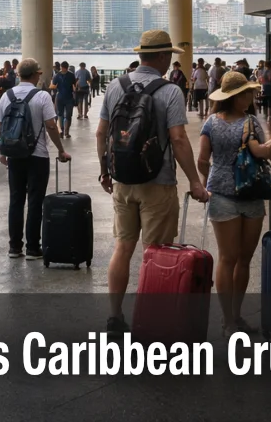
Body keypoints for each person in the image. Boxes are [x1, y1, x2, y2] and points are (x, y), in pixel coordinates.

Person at [97, 30, 211, 334]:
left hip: (122, 180)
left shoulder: (114, 86)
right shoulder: (170, 91)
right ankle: (150, 320)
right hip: (158, 182)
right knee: (156, 252)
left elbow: (101, 133)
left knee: (123, 247)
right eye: (169, 55)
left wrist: (105, 170)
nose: (170, 60)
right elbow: (178, 139)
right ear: (161, 56)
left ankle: (114, 316)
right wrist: (196, 183)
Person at [197, 71, 271, 336]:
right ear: (235, 97)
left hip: (219, 195)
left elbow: (202, 158)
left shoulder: (210, 123)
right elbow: (261, 151)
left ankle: (229, 318)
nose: (251, 95)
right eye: (246, 92)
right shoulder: (251, 122)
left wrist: (206, 180)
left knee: (228, 258)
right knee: (242, 259)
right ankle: (233, 315)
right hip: (251, 193)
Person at [0, 58, 70, 260]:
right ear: (35, 74)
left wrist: (2, 151)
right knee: (35, 201)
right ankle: (32, 248)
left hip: (14, 155)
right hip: (37, 155)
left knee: (16, 200)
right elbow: (51, 126)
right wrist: (61, 150)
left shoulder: (7, 96)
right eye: (39, 73)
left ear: (19, 74)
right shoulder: (42, 96)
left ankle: (14, 247)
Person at [50, 62, 77, 138]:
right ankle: (65, 132)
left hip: (62, 97)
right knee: (66, 115)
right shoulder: (70, 75)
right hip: (67, 97)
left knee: (61, 115)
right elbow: (75, 86)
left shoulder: (57, 76)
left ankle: (63, 131)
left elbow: (53, 86)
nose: (63, 69)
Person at [256, 59, 271, 129]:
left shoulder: (261, 72)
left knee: (265, 101)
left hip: (264, 87)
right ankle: (270, 115)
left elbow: (259, 81)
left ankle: (266, 115)